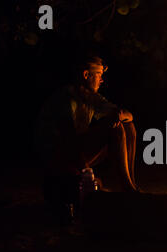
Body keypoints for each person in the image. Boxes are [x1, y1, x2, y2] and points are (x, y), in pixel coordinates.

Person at [35, 56, 138, 210]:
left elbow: (129, 115)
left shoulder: (91, 98)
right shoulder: (66, 99)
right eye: (99, 75)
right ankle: (127, 188)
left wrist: (119, 114)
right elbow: (68, 142)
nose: (102, 80)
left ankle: (131, 185)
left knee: (127, 126)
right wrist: (87, 176)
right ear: (86, 75)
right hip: (58, 159)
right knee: (115, 128)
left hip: (74, 151)